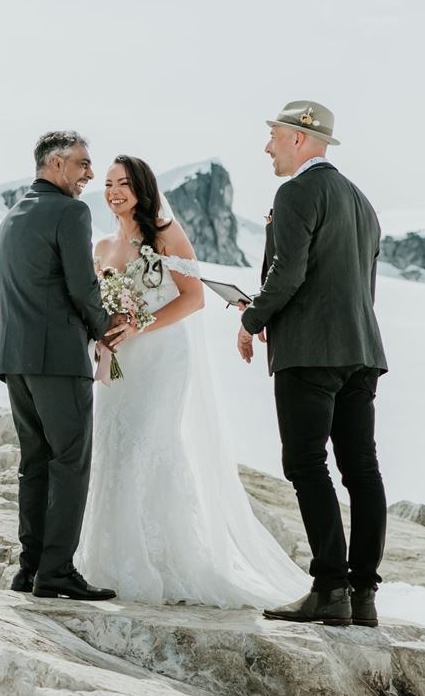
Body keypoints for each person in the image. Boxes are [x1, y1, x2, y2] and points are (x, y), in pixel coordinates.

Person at [75, 156, 314, 607]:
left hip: (162, 358)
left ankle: (164, 561)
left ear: (142, 189)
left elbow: (195, 298)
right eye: (108, 184)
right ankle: (109, 560)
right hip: (120, 361)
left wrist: (139, 325)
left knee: (147, 445)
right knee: (113, 446)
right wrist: (105, 330)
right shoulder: (103, 246)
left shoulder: (165, 235)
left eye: (124, 183)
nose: (114, 192)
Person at [237, 102, 389, 628]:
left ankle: (329, 589)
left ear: (300, 138)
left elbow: (289, 271)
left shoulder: (297, 191)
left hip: (311, 353)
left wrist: (252, 318)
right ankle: (363, 595)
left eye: (274, 135)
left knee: (305, 464)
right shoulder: (362, 201)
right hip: (362, 351)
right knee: (361, 470)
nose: (268, 146)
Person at [0, 130, 121, 602]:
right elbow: (82, 286)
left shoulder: (12, 215)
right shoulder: (70, 211)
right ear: (56, 164)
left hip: (15, 358)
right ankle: (58, 571)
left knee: (35, 465)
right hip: (58, 359)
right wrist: (106, 325)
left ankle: (30, 570)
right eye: (84, 164)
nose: (90, 174)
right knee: (70, 462)